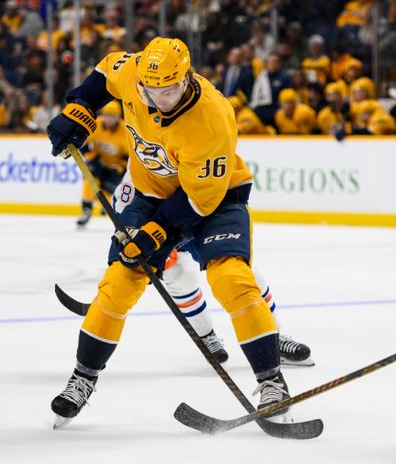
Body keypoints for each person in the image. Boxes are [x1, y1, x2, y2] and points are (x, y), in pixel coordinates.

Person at [45, 37, 294, 428]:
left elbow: (199, 201)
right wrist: (78, 110)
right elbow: (103, 75)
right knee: (120, 280)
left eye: (170, 90)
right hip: (149, 192)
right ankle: (83, 378)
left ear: (187, 78)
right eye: (151, 90)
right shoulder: (135, 71)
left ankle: (272, 381)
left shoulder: (212, 116)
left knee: (231, 278)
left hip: (215, 198)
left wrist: (157, 231)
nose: (160, 99)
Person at [112, 176, 314, 368]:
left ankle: (273, 336)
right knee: (179, 274)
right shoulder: (138, 171)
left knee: (242, 271)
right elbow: (126, 216)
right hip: (164, 228)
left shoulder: (193, 148)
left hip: (203, 217)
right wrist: (147, 246)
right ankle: (206, 336)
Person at [76, 100, 127, 227]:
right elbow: (83, 144)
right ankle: (86, 209)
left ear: (118, 117)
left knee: (113, 190)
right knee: (90, 178)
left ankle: (107, 204)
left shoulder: (125, 130)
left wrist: (122, 167)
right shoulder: (95, 124)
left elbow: (129, 155)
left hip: (116, 167)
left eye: (113, 116)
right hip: (98, 162)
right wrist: (91, 157)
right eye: (107, 115)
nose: (109, 119)